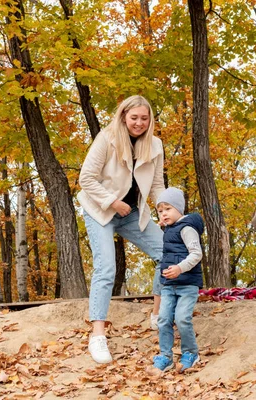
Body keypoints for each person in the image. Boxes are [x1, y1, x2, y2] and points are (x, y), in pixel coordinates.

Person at [78, 95, 165, 364]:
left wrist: (165, 212)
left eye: (144, 118)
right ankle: (97, 336)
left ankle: (157, 316)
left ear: (150, 120)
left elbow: (157, 184)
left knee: (169, 252)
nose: (139, 122)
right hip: (101, 210)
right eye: (134, 117)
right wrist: (112, 202)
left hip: (131, 213)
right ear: (124, 117)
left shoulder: (156, 145)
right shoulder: (107, 138)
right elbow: (86, 179)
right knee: (106, 268)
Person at [152, 187, 204, 372]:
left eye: (167, 209)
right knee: (164, 319)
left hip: (187, 284)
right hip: (169, 285)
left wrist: (180, 268)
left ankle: (191, 352)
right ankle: (166, 356)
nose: (163, 213)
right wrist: (165, 226)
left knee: (182, 319)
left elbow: (196, 254)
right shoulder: (170, 228)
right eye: (160, 210)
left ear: (179, 209)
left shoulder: (187, 228)